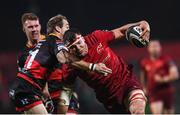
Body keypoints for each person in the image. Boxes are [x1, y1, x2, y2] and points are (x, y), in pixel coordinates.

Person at [9, 13, 111, 114]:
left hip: (55, 92)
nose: (34, 29)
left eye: (36, 26)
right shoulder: (54, 42)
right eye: (67, 27)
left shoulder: (44, 44)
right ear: (58, 28)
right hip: (29, 90)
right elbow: (65, 59)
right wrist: (92, 66)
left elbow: (43, 75)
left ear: (40, 26)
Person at [62, 20, 150, 114]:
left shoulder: (96, 38)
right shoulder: (71, 65)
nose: (78, 49)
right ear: (69, 50)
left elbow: (121, 31)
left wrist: (141, 24)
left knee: (138, 110)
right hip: (109, 98)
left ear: (82, 38)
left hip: (126, 82)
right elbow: (66, 89)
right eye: (73, 47)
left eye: (79, 43)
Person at [140, 40, 179, 114]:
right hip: (154, 92)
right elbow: (143, 76)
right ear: (148, 48)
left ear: (160, 48)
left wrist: (163, 79)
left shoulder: (166, 60)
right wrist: (144, 87)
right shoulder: (144, 62)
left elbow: (175, 75)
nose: (154, 48)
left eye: (156, 46)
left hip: (166, 90)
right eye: (152, 46)